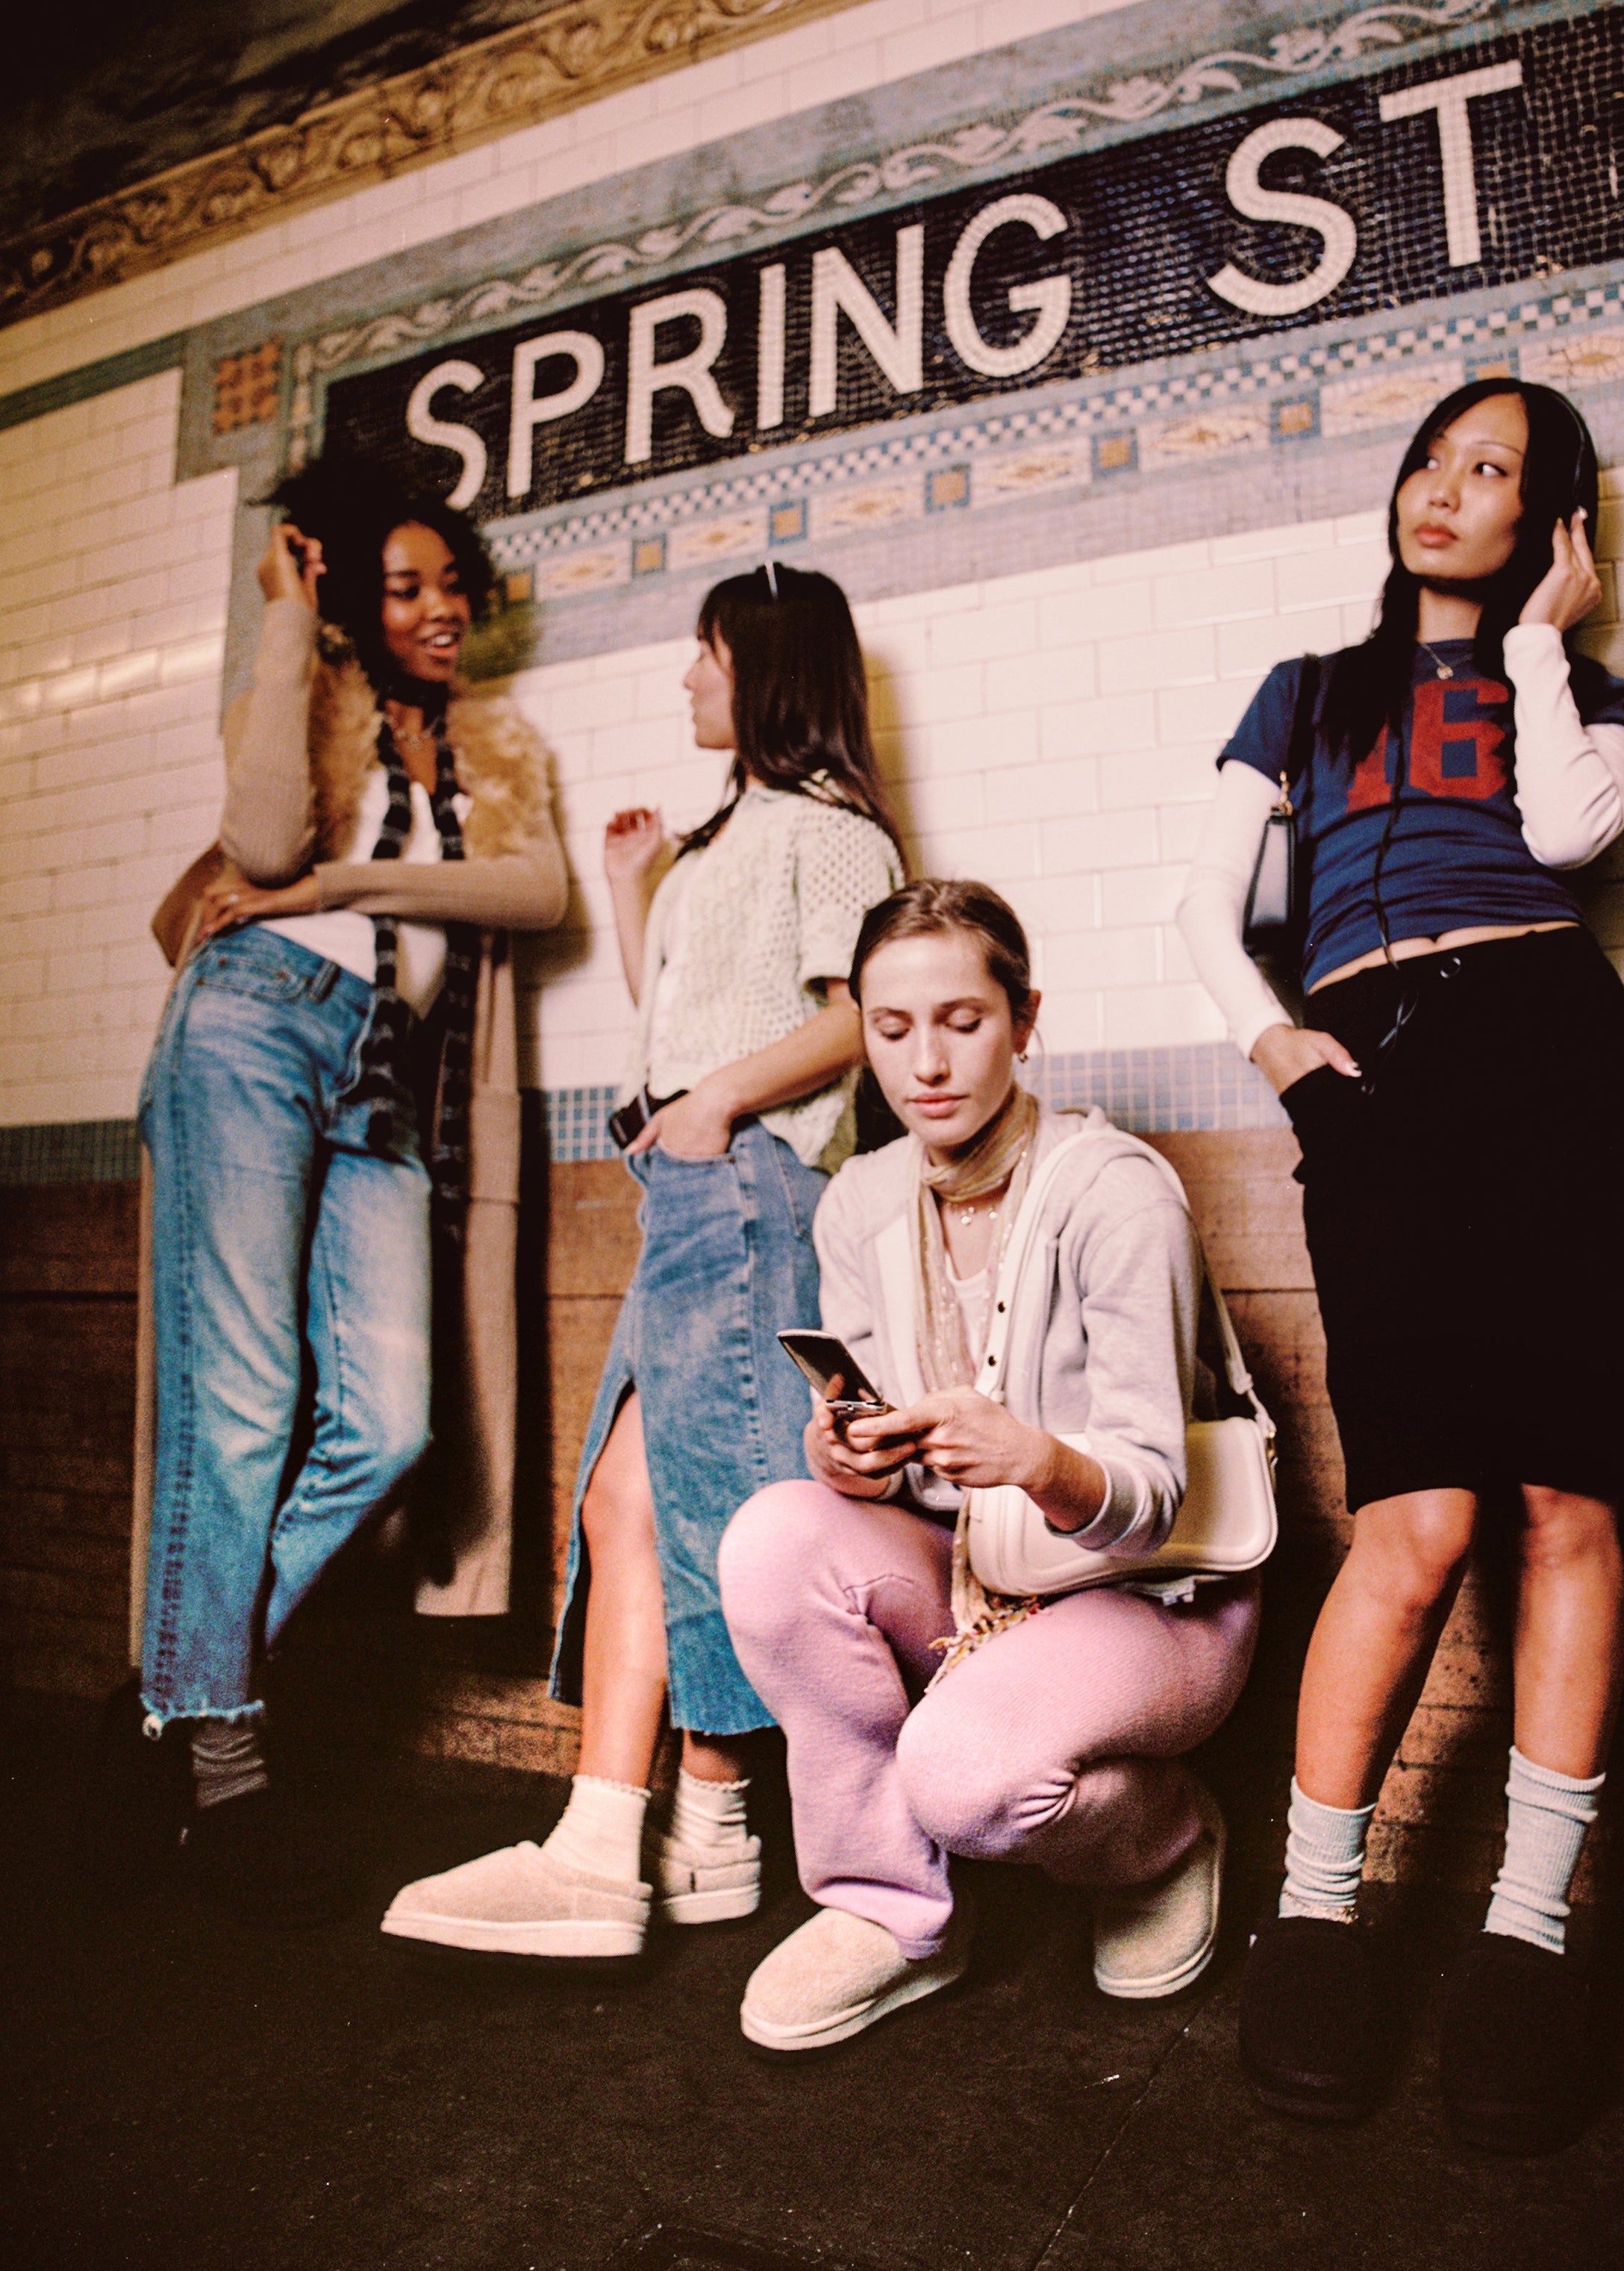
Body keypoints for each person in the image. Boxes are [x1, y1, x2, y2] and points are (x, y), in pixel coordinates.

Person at [1177, 377, 1624, 2149]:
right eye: (1431, 459)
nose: (1444, 491)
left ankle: (1530, 1939)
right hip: (1377, 1076)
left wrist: (1548, 643)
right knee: (1419, 1521)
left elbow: (1567, 839)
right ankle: (1316, 1913)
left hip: (1560, 1069)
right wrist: (1278, 1043)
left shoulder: (1587, 699)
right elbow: (1203, 900)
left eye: (1496, 471)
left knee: (1568, 1504)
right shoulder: (1311, 693)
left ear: (1553, 524)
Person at [383, 562, 904, 1957]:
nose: (687, 679)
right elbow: (678, 1026)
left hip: (751, 1183)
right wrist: (633, 889)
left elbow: (868, 1010)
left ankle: (679, 1825)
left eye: (708, 656)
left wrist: (725, 1104)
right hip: (686, 1182)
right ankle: (649, 1837)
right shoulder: (718, 841)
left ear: (772, 673)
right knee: (627, 1499)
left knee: (703, 1494)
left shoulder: (831, 827)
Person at [125, 454, 567, 1922]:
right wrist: (280, 626)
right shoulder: (302, 690)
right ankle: (223, 1767)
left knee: (390, 1423)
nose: (441, 608)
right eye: (406, 586)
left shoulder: (497, 749)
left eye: (454, 583)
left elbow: (539, 891)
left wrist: (341, 889)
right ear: (344, 593)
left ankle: (190, 1679)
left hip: (381, 1069)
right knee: (242, 1407)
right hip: (250, 1020)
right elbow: (255, 844)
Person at [715, 879, 1261, 2049]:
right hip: (980, 1584)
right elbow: (908, 1477)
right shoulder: (859, 1200)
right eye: (891, 1026)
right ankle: (892, 1911)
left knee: (959, 1774)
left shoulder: (1116, 1191)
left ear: (1025, 1017)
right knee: (771, 1538)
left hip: (1149, 1597)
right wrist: (851, 1456)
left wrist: (1036, 1458)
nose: (927, 1062)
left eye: (962, 1020)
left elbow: (1158, 1495)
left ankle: (1163, 1838)